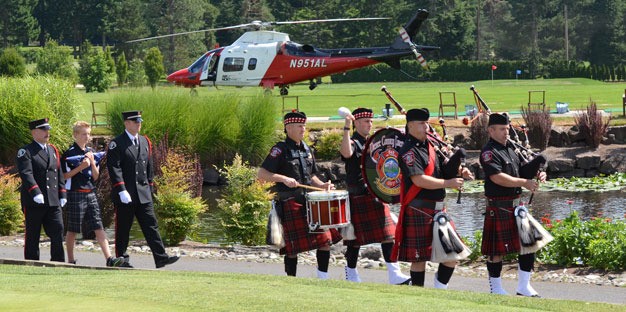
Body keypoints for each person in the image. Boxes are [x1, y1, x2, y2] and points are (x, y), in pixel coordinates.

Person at [394, 108, 473, 288]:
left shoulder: (431, 146)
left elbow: (444, 168)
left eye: (426, 123)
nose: (426, 126)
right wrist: (448, 183)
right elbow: (419, 180)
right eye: (421, 123)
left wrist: (461, 171)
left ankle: (440, 287)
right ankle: (419, 294)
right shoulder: (408, 151)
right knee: (419, 259)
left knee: (453, 254)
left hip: (438, 209)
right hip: (418, 209)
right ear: (410, 125)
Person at [257, 110, 341, 279]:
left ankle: (322, 278)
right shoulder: (279, 150)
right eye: (299, 126)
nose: (304, 129)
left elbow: (311, 176)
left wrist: (323, 185)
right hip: (290, 202)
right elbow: (262, 174)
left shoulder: (307, 149)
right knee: (292, 248)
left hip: (310, 203)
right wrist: (283, 179)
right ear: (288, 127)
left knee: (325, 241)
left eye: (304, 125)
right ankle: (291, 280)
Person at [339, 107, 410, 284]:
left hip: (377, 193)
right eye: (365, 121)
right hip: (358, 195)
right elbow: (346, 153)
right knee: (354, 241)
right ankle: (351, 274)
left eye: (370, 121)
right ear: (356, 123)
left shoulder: (374, 141)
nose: (369, 124)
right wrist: (346, 128)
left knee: (388, 235)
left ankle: (394, 274)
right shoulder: (353, 141)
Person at [479, 113, 547, 297]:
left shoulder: (511, 148)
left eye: (507, 129)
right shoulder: (488, 152)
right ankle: (496, 288)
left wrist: (538, 172)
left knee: (528, 245)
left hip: (517, 206)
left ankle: (523, 287)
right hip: (498, 206)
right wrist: (524, 182)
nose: (506, 133)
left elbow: (524, 169)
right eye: (502, 129)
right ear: (491, 130)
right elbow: (497, 177)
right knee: (496, 252)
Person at [106, 111, 179, 268]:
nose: (139, 123)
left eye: (139, 121)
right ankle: (122, 259)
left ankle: (161, 257)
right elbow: (114, 168)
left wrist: (150, 188)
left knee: (151, 225)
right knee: (123, 228)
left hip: (143, 193)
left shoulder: (145, 141)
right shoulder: (117, 143)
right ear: (127, 123)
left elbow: (148, 167)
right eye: (135, 121)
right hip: (126, 194)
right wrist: (121, 189)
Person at [61, 121, 125, 267]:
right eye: (84, 134)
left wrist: (91, 162)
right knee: (73, 229)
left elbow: (96, 177)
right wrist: (81, 167)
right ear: (75, 135)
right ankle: (70, 260)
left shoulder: (90, 152)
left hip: (90, 192)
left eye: (89, 134)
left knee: (98, 226)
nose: (87, 137)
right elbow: (64, 176)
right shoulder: (69, 153)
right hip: (76, 193)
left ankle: (109, 259)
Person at [16, 118, 67, 262]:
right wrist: (35, 192)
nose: (47, 132)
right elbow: (26, 174)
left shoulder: (52, 150)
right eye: (43, 130)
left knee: (57, 230)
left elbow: (58, 173)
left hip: (53, 200)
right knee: (33, 235)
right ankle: (32, 263)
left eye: (48, 129)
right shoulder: (26, 151)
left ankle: (58, 262)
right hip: (34, 201)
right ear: (34, 132)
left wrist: (62, 193)